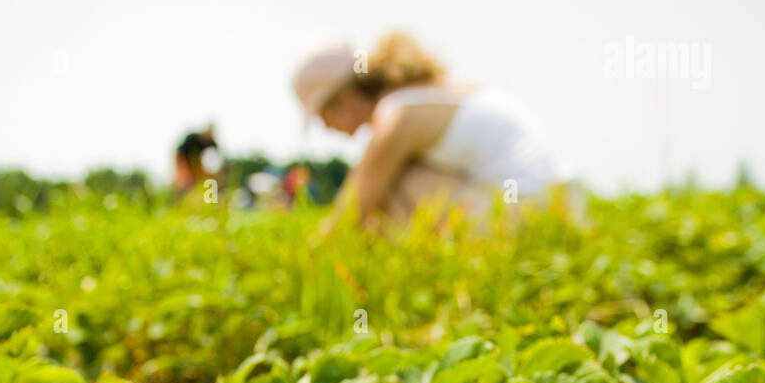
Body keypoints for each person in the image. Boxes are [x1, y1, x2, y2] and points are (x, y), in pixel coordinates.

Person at [291, 32, 568, 225]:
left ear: (345, 100)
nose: (327, 128)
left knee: (392, 186)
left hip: (532, 212)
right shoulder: (419, 94)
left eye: (324, 116)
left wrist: (312, 253)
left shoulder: (397, 117)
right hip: (561, 203)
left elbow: (350, 213)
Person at [172, 125, 225, 196]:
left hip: (196, 163)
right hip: (183, 160)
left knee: (205, 179)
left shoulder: (210, 142)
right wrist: (184, 171)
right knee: (185, 181)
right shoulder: (192, 138)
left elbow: (218, 154)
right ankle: (181, 195)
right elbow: (180, 155)